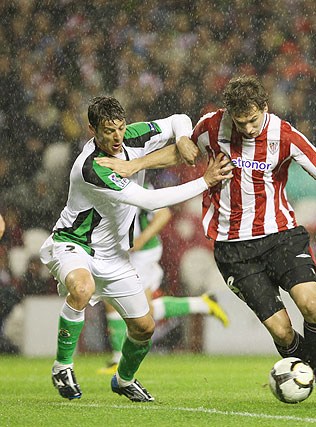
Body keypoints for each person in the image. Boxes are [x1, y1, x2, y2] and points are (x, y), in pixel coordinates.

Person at [95, 75, 316, 408]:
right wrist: (134, 165)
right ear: (229, 114)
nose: (248, 128)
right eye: (240, 123)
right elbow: (182, 153)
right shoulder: (212, 127)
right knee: (282, 331)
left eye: (253, 120)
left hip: (281, 236)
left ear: (264, 108)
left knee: (310, 303)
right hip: (234, 249)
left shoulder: (284, 135)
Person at [39, 96, 233, 402]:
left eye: (120, 128)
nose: (117, 137)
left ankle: (124, 379)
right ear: (92, 130)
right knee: (82, 288)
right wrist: (205, 181)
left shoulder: (132, 135)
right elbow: (149, 201)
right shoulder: (92, 167)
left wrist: (183, 137)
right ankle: (62, 366)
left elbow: (178, 119)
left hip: (115, 256)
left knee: (144, 328)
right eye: (108, 131)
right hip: (74, 244)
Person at [99, 181, 229, 375]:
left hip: (142, 254)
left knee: (142, 311)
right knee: (112, 301)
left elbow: (163, 214)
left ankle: (202, 305)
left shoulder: (140, 184)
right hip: (119, 252)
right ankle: (118, 359)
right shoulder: (105, 181)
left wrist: (140, 240)